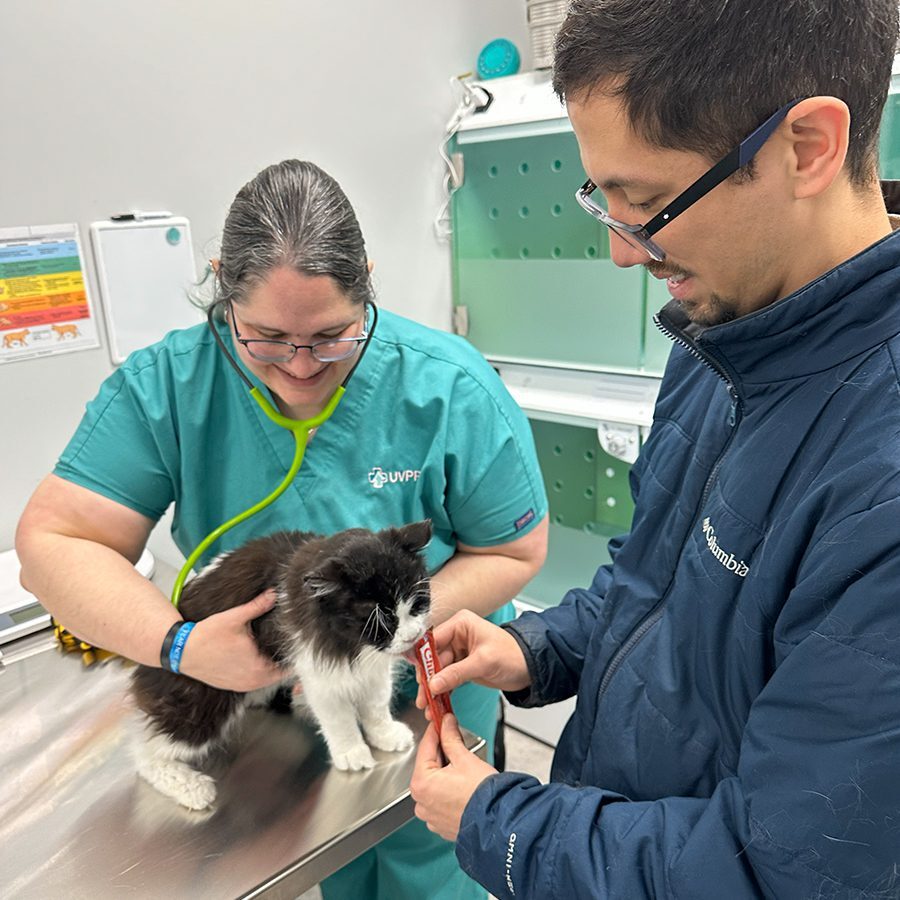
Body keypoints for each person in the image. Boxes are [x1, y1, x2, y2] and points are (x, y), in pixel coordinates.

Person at [409, 1, 900, 897]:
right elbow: (656, 586)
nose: (620, 253)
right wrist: (538, 650)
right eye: (602, 196)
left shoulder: (881, 485)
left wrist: (499, 823)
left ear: (808, 147)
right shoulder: (725, 336)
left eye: (645, 202)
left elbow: (779, 872)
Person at [15, 159, 549, 900]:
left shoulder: (449, 387)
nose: (300, 369)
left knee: (429, 875)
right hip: (263, 703)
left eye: (332, 337)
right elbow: (54, 543)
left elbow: (516, 547)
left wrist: (386, 641)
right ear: (221, 285)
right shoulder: (168, 387)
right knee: (324, 865)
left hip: (422, 687)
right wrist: (182, 645)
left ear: (365, 281)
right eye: (265, 337)